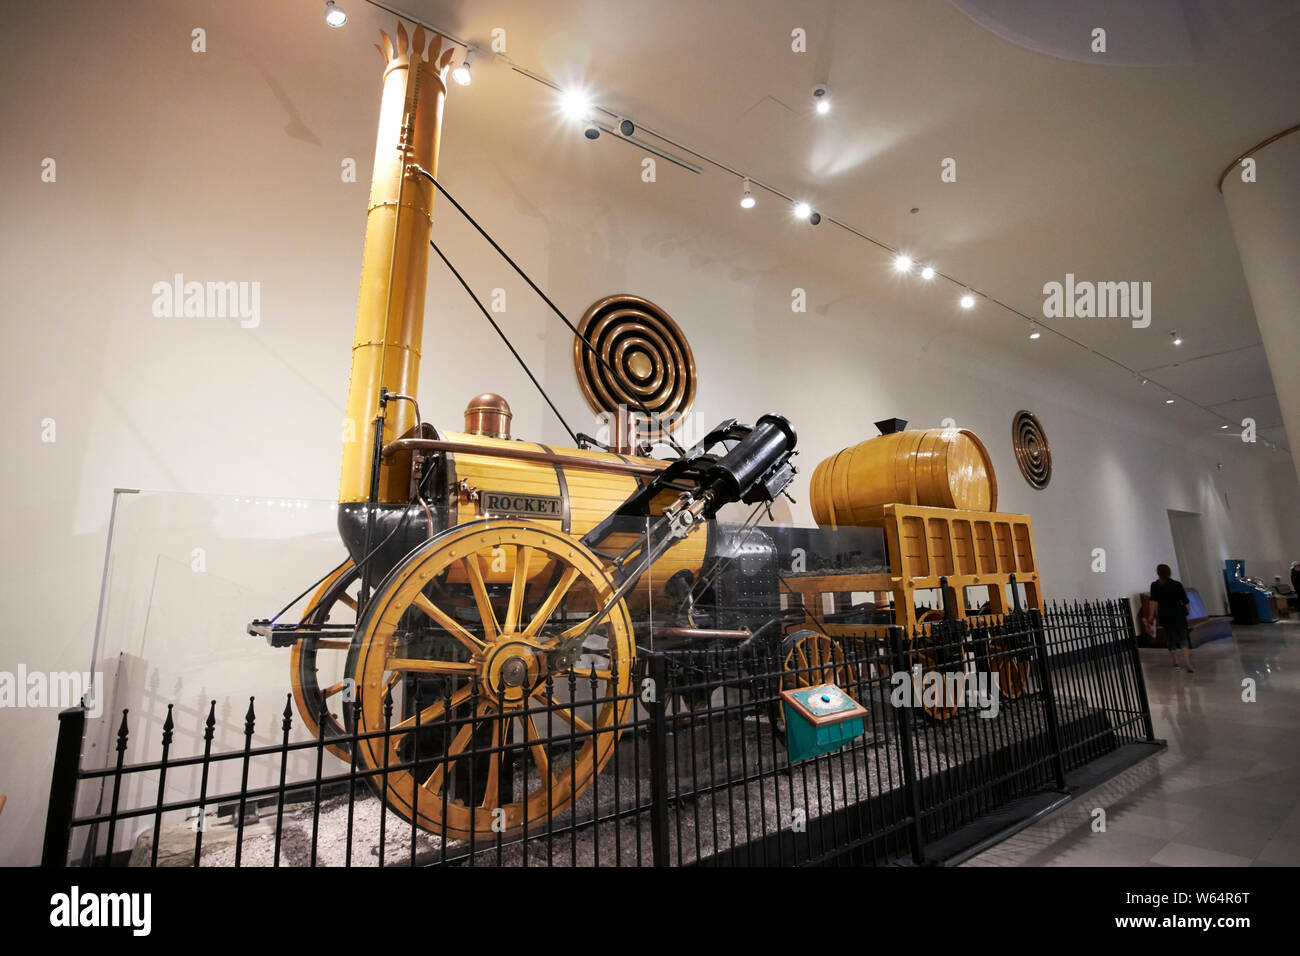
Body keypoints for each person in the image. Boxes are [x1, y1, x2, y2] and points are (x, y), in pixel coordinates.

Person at [1148, 564, 1194, 672]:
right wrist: (1188, 612)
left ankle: (1175, 663)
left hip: (1164, 614)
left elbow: (1153, 601)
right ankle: (1186, 660)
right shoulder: (1177, 584)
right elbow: (1185, 600)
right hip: (1178, 613)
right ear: (1169, 572)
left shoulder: (1155, 585)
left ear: (1158, 573)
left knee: (1170, 638)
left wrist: (1151, 616)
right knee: (1183, 637)